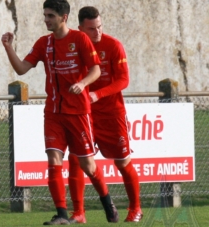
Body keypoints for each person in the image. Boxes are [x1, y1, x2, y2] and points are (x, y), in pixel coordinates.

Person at [1, 0, 118, 225]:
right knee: (53, 159)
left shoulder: (80, 39)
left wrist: (82, 84)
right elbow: (21, 69)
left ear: (63, 17)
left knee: (88, 166)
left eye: (50, 15)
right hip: (53, 112)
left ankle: (107, 203)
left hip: (78, 112)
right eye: (45, 15)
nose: (46, 19)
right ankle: (62, 215)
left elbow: (95, 69)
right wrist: (8, 47)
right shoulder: (44, 43)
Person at [69, 6, 143, 223]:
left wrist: (97, 94)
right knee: (76, 159)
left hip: (111, 113)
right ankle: (79, 212)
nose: (97, 32)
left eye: (99, 27)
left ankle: (135, 209)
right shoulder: (74, 47)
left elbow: (123, 80)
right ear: (81, 28)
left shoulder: (113, 46)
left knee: (122, 162)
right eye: (92, 29)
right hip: (84, 113)